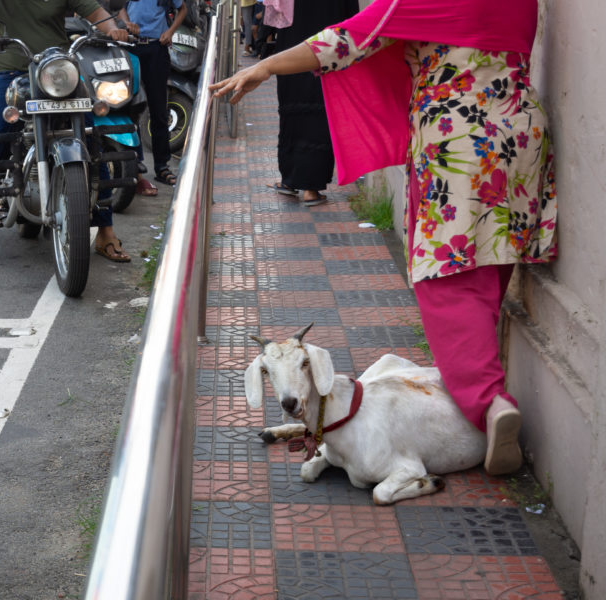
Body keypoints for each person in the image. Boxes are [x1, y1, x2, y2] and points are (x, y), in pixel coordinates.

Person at [210, 0, 558, 476]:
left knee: (445, 277)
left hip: (459, 136)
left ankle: (487, 404)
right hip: (520, 128)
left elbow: (345, 40)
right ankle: (480, 386)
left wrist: (265, 66)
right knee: (492, 257)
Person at [0, 0, 131, 265]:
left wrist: (113, 27)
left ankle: (106, 232)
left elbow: (96, 13)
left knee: (92, 141)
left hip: (58, 70)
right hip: (15, 71)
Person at [266, 0, 358, 207]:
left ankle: (289, 180)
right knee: (320, 111)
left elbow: (274, 11)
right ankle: (311, 188)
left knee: (291, 110)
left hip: (291, 50)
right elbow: (352, 15)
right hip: (326, 46)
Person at [118, 0, 186, 187]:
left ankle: (161, 166)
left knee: (158, 110)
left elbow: (182, 9)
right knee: (129, 109)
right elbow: (121, 9)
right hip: (131, 48)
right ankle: (135, 164)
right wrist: (127, 24)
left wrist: (170, 32)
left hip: (157, 48)